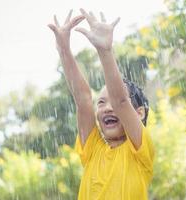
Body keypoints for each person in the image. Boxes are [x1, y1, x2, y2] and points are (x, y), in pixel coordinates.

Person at [48, 8, 154, 200]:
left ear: (138, 114)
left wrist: (105, 50)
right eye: (102, 102)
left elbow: (121, 102)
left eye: (112, 101)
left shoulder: (139, 151)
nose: (107, 107)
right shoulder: (93, 150)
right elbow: (83, 99)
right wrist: (63, 49)